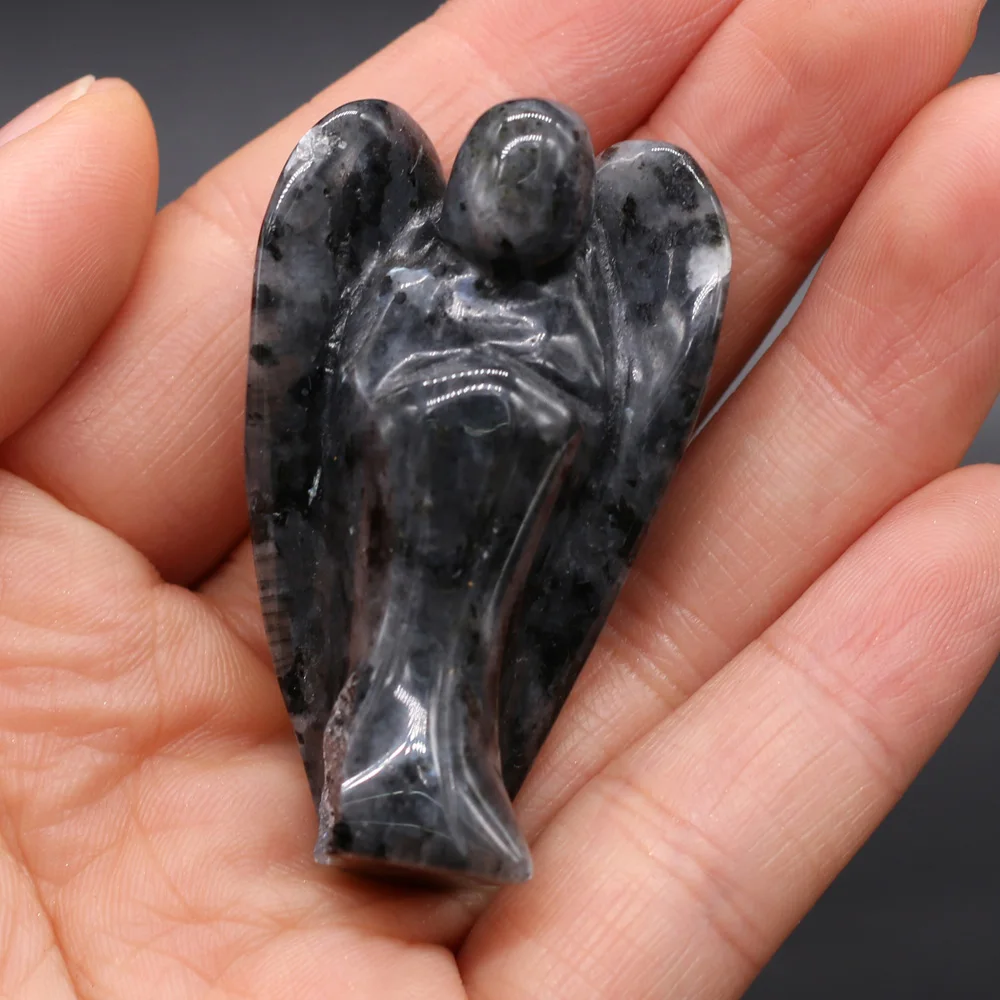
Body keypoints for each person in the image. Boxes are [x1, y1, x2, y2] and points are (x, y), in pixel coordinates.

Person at [0, 0, 995, 996]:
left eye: (544, 196)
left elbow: (597, 414)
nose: (520, 211)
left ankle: (448, 784)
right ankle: (374, 775)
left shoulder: (575, 308)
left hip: (499, 527)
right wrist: (452, 395)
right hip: (408, 516)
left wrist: (519, 404)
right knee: (397, 646)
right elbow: (359, 387)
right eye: (507, 186)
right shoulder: (408, 278)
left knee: (468, 663)